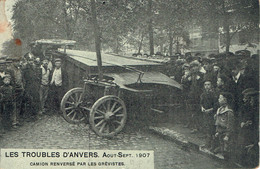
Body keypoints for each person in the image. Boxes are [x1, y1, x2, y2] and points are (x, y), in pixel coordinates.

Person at [236, 88, 259, 167]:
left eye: (247, 98)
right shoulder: (245, 107)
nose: (244, 100)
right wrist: (242, 122)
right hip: (245, 130)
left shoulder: (256, 109)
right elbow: (240, 116)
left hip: (252, 132)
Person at [214, 92, 235, 160]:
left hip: (225, 133)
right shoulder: (220, 109)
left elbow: (230, 125)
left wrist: (227, 135)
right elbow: (217, 122)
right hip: (220, 132)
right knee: (222, 146)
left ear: (225, 100)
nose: (218, 99)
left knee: (227, 148)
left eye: (220, 98)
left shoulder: (229, 112)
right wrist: (217, 131)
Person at [200, 80, 218, 150]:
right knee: (207, 128)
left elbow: (216, 105)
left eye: (208, 85)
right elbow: (201, 103)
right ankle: (207, 143)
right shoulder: (203, 94)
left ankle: (212, 145)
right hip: (205, 114)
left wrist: (210, 110)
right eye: (205, 85)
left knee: (212, 129)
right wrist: (202, 108)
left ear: (211, 86)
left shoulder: (214, 94)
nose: (207, 86)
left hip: (212, 114)